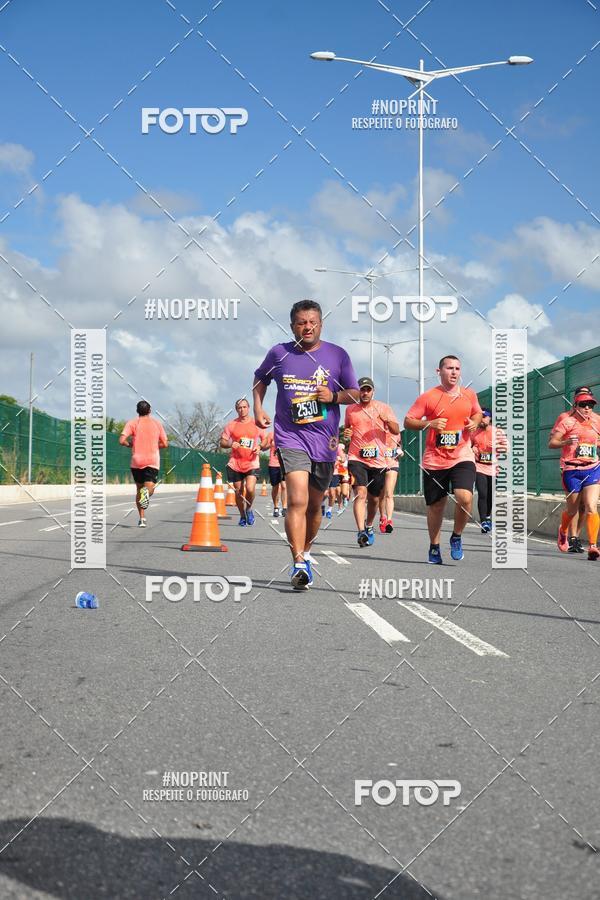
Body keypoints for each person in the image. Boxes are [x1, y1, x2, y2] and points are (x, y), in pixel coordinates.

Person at [253, 299, 359, 589]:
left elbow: (355, 393)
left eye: (312, 321)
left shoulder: (338, 355)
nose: (307, 326)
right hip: (290, 437)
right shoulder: (279, 353)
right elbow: (259, 379)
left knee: (314, 506)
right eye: (301, 322)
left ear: (321, 324)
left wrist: (334, 398)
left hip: (325, 441)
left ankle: (307, 551)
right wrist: (257, 408)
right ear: (292, 326)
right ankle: (298, 561)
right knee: (297, 500)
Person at [404, 355, 482, 564]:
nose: (454, 372)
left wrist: (474, 423)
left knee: (465, 497)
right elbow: (409, 421)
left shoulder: (469, 395)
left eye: (457, 368)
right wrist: (429, 424)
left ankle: (456, 536)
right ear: (439, 372)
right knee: (437, 505)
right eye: (449, 368)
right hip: (434, 460)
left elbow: (477, 414)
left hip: (462, 455)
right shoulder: (428, 397)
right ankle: (435, 546)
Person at [344, 376, 400, 548]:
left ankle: (369, 525)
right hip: (356, 457)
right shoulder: (351, 410)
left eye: (368, 389)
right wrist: (347, 436)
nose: (365, 392)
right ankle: (361, 531)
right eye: (362, 389)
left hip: (378, 461)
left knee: (374, 499)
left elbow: (396, 430)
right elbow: (348, 430)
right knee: (361, 493)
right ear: (358, 391)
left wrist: (387, 420)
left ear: (373, 391)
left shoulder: (384, 408)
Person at [548, 390, 600, 561]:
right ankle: (563, 531)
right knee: (572, 510)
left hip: (592, 467)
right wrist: (566, 442)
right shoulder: (567, 421)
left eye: (590, 405)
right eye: (583, 405)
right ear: (575, 406)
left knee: (591, 505)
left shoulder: (597, 421)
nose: (587, 408)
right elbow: (552, 443)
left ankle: (593, 545)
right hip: (571, 470)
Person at [119, 400, 169, 527]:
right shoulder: (157, 424)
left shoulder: (132, 423)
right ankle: (146, 494)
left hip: (137, 461)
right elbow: (165, 444)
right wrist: (155, 445)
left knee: (139, 489)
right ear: (150, 411)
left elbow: (122, 440)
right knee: (148, 489)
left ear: (137, 411)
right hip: (152, 460)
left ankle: (142, 519)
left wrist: (130, 444)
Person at [220, 399, 264, 526]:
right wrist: (230, 443)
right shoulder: (231, 425)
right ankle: (242, 515)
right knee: (238, 491)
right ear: (236, 409)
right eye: (239, 408)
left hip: (252, 462)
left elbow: (265, 440)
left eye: (244, 407)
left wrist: (260, 447)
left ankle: (249, 509)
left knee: (250, 489)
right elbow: (222, 442)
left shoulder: (256, 423)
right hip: (236, 463)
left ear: (249, 408)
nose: (242, 410)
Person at [471, 409, 507, 534]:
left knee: (490, 496)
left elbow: (507, 448)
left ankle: (487, 516)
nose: (482, 419)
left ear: (490, 418)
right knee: (482, 493)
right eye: (480, 417)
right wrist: (472, 449)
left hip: (493, 467)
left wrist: (497, 446)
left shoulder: (497, 432)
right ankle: (483, 521)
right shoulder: (474, 433)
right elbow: (467, 446)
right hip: (479, 466)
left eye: (485, 417)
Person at [379, 429, 403, 533]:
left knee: (389, 494)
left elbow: (399, 448)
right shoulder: (378, 431)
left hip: (393, 464)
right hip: (379, 464)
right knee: (381, 495)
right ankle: (382, 517)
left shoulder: (397, 433)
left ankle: (389, 521)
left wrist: (400, 453)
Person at [264, 430, 287, 517]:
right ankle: (276, 507)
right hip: (273, 464)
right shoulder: (271, 434)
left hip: (284, 463)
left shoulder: (287, 433)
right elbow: (264, 447)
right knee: (275, 487)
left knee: (284, 486)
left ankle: (284, 508)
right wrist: (268, 444)